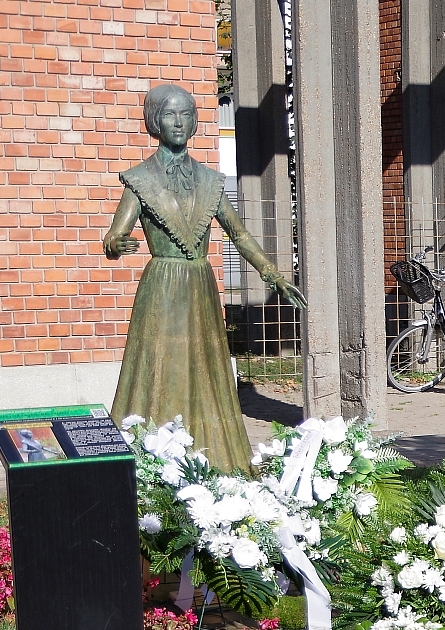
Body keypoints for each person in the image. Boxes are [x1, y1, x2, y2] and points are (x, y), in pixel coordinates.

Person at [103, 84, 305, 475]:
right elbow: (115, 235)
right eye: (169, 114)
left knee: (205, 369)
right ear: (154, 122)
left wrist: (273, 274)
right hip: (162, 285)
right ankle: (152, 455)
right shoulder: (140, 180)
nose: (179, 122)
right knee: (159, 367)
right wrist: (116, 243)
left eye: (186, 114)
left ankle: (213, 454)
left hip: (199, 284)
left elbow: (239, 234)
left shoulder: (210, 181)